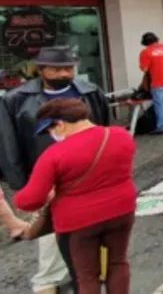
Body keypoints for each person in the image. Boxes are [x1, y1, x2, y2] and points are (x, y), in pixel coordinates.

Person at [0, 46, 110, 294]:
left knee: (91, 227)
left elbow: (104, 131)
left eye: (69, 68)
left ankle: (84, 272)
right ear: (41, 70)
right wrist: (20, 184)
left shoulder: (91, 92)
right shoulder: (15, 99)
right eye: (57, 68)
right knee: (51, 234)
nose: (64, 73)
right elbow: (9, 143)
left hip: (87, 174)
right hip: (45, 177)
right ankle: (47, 282)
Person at [15, 98, 137, 294]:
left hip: (79, 223)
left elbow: (29, 201)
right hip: (122, 211)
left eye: (50, 130)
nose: (51, 135)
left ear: (60, 124)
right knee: (118, 262)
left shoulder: (54, 154)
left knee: (87, 276)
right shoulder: (121, 136)